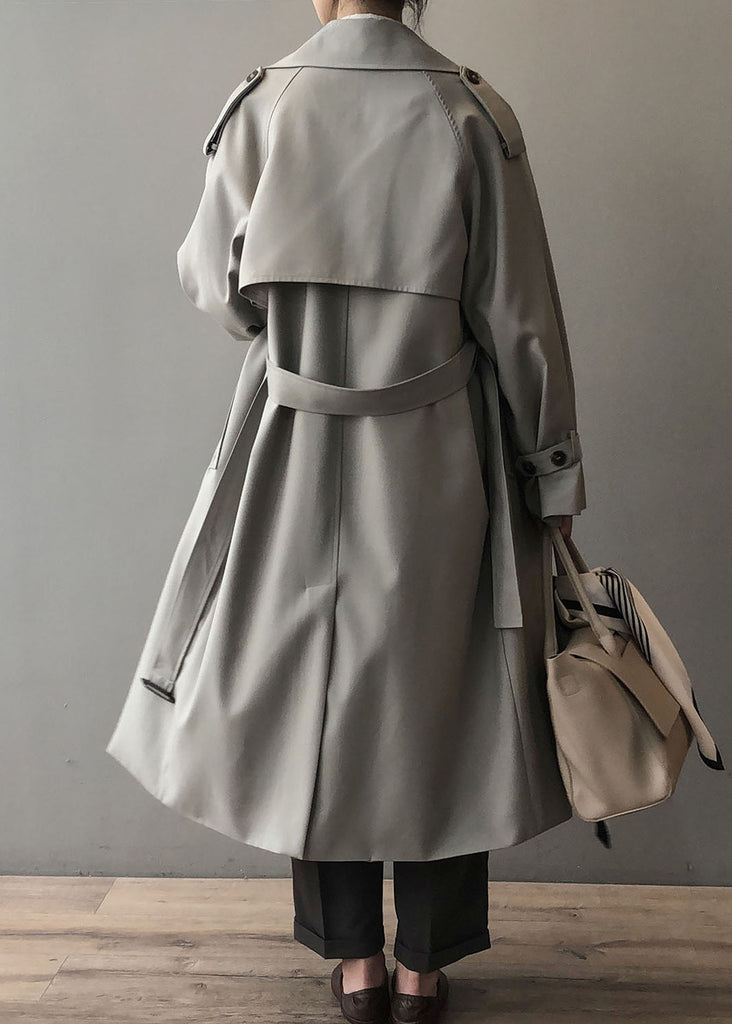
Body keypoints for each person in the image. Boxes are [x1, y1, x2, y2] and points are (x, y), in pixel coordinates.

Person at [105, 1, 587, 1022]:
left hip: (293, 444)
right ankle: (423, 970)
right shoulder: (471, 114)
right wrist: (552, 476)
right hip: (443, 455)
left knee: (308, 699)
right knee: (447, 703)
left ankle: (355, 965)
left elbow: (219, 290)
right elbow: (523, 321)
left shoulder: (262, 106)